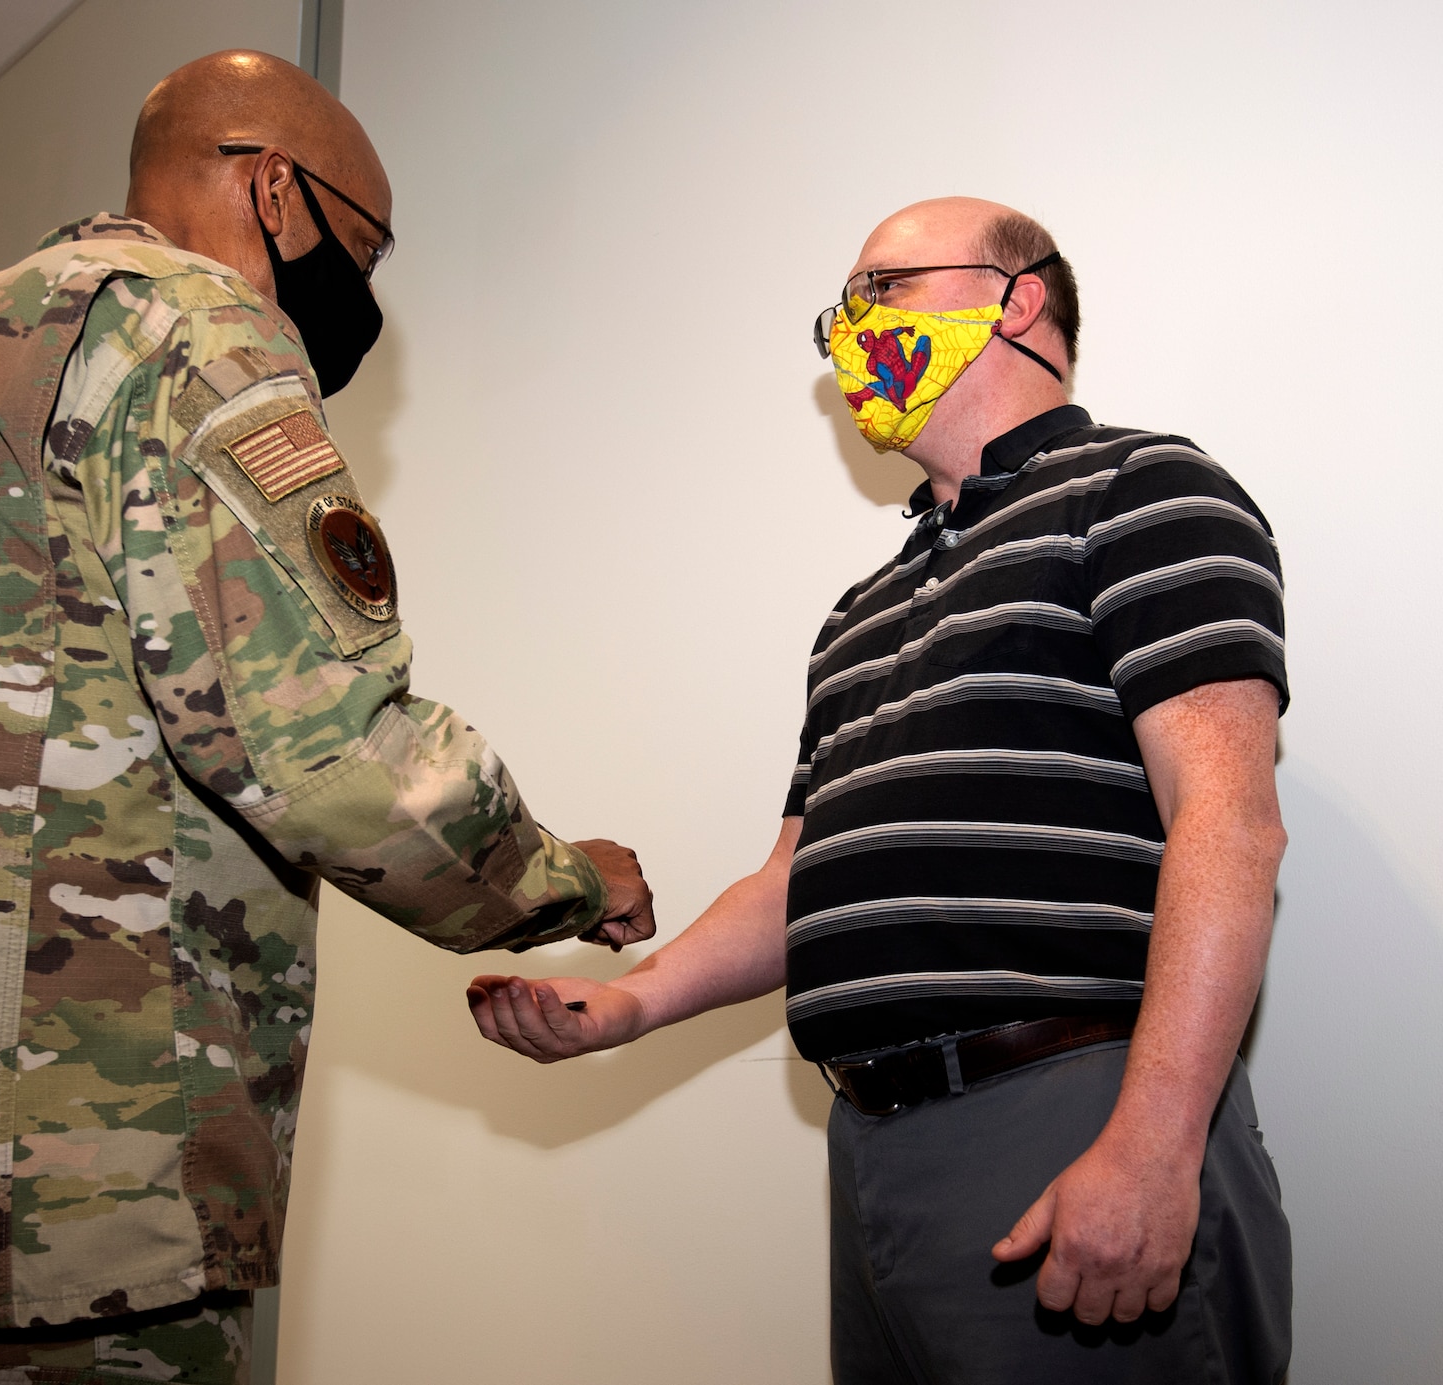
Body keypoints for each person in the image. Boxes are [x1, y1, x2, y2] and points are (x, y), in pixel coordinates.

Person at [0, 50, 654, 1385]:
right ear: (276, 189)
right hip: (65, 1199)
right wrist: (565, 883)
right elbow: (325, 741)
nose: (362, 291)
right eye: (363, 247)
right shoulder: (195, 334)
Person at [469, 198, 1292, 1382]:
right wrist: (631, 1004)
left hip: (1067, 1114)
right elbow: (796, 879)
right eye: (835, 313)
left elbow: (1229, 822)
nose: (846, 333)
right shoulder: (857, 615)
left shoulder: (1140, 489)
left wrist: (1154, 1144)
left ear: (1018, 301)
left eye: (881, 292)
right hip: (872, 1150)